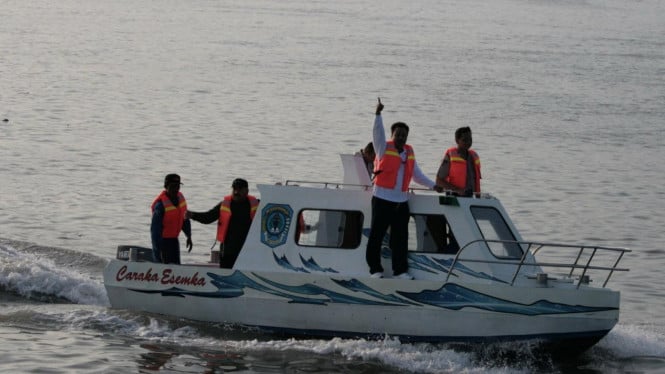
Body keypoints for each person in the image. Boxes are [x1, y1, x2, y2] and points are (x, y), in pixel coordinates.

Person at [366, 98, 443, 279]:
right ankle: (375, 269)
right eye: (398, 134)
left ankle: (400, 270)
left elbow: (417, 175)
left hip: (401, 201)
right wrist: (378, 114)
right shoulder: (383, 148)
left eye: (404, 135)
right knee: (376, 236)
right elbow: (377, 133)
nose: (401, 138)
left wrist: (433, 185)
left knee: (400, 239)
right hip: (382, 199)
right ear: (392, 135)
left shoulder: (409, 152)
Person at [187, 178, 259, 268]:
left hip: (248, 251)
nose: (236, 192)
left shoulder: (256, 204)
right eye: (234, 189)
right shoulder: (224, 204)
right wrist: (192, 215)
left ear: (247, 191)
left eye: (240, 189)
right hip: (228, 252)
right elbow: (208, 217)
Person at [150, 174, 193, 264]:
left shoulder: (181, 199)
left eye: (178, 186)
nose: (176, 189)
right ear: (166, 187)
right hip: (163, 243)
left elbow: (185, 219)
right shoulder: (160, 205)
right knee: (164, 269)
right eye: (173, 186)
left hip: (174, 241)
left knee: (176, 267)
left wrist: (188, 235)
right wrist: (158, 253)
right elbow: (155, 232)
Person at [435, 126, 481, 197]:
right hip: (454, 199)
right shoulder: (450, 156)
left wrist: (479, 199)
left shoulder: (474, 156)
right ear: (457, 140)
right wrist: (456, 189)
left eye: (470, 139)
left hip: (471, 199)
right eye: (464, 140)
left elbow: (476, 182)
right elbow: (439, 181)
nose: (468, 142)